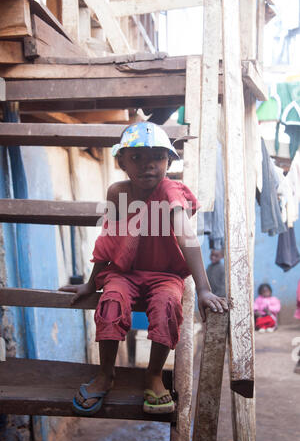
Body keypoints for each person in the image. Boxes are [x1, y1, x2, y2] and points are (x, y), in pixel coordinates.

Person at [59, 121, 229, 416]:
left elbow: (185, 236)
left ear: (168, 161)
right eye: (136, 157)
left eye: (157, 157)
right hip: (123, 273)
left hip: (165, 274)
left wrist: (203, 289)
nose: (148, 166)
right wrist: (91, 283)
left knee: (166, 306)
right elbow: (108, 239)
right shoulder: (117, 192)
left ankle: (153, 374)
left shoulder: (170, 190)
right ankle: (106, 374)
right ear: (121, 161)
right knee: (110, 303)